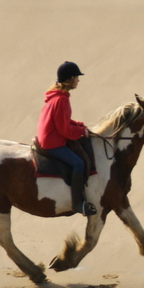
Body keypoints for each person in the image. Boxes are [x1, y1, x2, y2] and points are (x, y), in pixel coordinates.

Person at [36, 60, 98, 216]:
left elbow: (62, 120)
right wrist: (81, 132)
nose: (78, 80)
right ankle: (78, 204)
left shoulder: (55, 96)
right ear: (70, 79)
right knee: (78, 163)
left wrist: (79, 126)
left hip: (47, 136)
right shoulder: (61, 99)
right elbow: (64, 130)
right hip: (52, 142)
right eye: (77, 77)